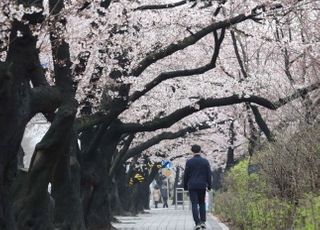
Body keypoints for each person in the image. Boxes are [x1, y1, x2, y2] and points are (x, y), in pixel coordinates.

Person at [184, 144, 212, 230]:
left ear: (192, 151)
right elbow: (209, 174)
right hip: (202, 185)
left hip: (192, 186)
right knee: (202, 203)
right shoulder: (205, 161)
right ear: (200, 151)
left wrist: (185, 186)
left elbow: (186, 175)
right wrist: (209, 185)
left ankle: (197, 223)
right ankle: (203, 221)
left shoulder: (189, 162)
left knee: (194, 204)